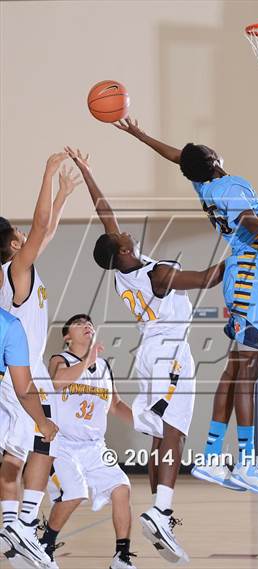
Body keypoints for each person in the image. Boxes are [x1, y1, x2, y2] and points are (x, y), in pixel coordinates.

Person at [112, 118, 258, 496]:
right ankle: (246, 462)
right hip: (251, 273)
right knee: (246, 370)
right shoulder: (229, 184)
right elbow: (249, 221)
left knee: (236, 367)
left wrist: (138, 134)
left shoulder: (205, 185)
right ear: (213, 160)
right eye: (208, 150)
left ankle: (211, 455)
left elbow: (178, 157)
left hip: (246, 272)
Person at [66, 146, 225, 564]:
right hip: (169, 354)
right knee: (173, 431)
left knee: (161, 434)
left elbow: (105, 214)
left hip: (153, 352)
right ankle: (162, 510)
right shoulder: (156, 274)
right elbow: (210, 278)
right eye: (123, 238)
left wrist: (87, 170)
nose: (127, 233)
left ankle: (161, 511)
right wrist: (246, 250)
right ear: (121, 252)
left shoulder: (124, 271)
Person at [0, 153, 80, 566]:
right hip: (20, 373)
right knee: (27, 451)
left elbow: (44, 233)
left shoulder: (20, 268)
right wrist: (47, 173)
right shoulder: (16, 268)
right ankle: (18, 525)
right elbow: (41, 226)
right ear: (14, 244)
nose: (27, 235)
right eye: (20, 234)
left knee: (32, 449)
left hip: (24, 370)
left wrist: (64, 193)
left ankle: (18, 529)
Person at [39, 314, 135, 569]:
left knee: (122, 488)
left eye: (90, 323)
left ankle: (121, 557)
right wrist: (86, 360)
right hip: (62, 445)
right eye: (80, 323)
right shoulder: (59, 359)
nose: (87, 326)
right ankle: (44, 547)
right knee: (74, 493)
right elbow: (58, 382)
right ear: (67, 336)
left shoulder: (103, 367)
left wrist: (146, 423)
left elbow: (115, 405)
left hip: (95, 447)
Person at [0, 306, 58, 566]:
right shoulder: (9, 324)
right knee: (37, 447)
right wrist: (43, 422)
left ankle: (16, 527)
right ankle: (21, 525)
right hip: (19, 394)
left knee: (14, 456)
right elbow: (24, 390)